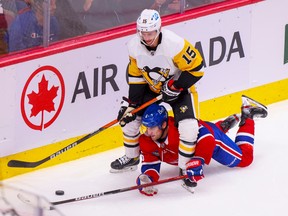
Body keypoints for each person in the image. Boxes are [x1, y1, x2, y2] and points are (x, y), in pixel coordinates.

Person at [111, 9, 204, 189]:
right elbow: (136, 76)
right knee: (129, 120)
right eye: (143, 33)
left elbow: (198, 68)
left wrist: (176, 86)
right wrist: (132, 104)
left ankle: (185, 168)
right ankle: (131, 157)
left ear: (159, 29)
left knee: (189, 127)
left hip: (179, 89)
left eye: (150, 33)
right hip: (152, 89)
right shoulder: (133, 46)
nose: (146, 37)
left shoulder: (174, 44)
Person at [135, 95, 268, 195]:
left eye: (152, 127)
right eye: (146, 127)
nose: (148, 132)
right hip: (201, 131)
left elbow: (207, 138)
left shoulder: (180, 128)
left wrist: (199, 159)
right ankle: (224, 125)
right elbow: (151, 163)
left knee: (245, 159)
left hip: (211, 139)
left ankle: (248, 115)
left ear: (163, 125)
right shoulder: (146, 140)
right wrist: (148, 177)